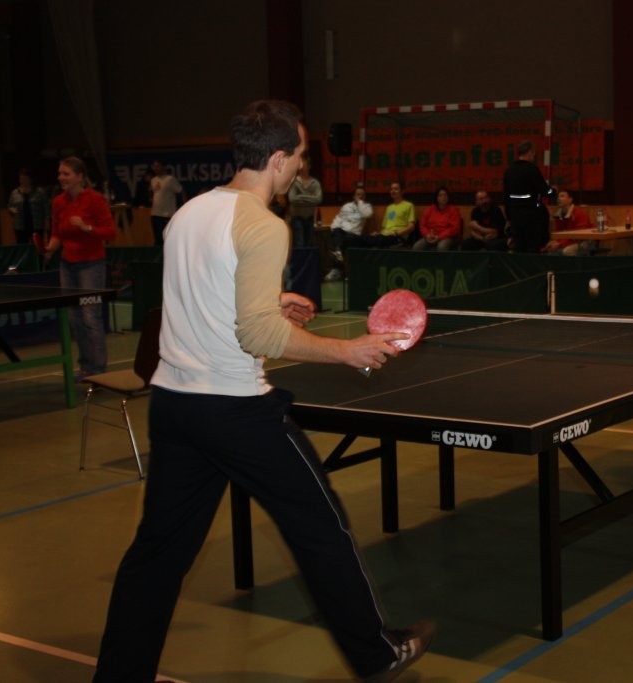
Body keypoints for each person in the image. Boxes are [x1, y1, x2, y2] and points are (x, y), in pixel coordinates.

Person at [91, 100, 433, 683]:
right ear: (277, 159)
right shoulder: (264, 226)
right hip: (237, 413)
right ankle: (377, 655)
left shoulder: (189, 213)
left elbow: (200, 292)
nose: (301, 167)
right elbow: (258, 335)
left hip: (173, 406)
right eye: (298, 156)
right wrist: (345, 350)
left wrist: (270, 300)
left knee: (158, 554)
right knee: (321, 527)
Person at [43, 156, 116, 380]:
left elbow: (110, 233)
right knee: (74, 319)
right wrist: (50, 248)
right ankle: (86, 367)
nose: (61, 178)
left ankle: (99, 369)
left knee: (90, 317)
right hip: (68, 265)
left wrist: (86, 228)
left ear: (79, 177)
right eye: (60, 174)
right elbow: (57, 233)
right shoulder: (58, 202)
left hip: (91, 265)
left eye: (66, 174)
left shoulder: (95, 200)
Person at [502, 139, 555, 252]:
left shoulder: (509, 171)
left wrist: (509, 217)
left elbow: (506, 196)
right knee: (532, 246)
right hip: (531, 215)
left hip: (515, 215)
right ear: (530, 152)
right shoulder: (532, 169)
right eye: (533, 153)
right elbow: (544, 191)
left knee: (519, 247)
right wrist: (554, 191)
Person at [325, 183, 374, 280]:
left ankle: (337, 269)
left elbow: (367, 215)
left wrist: (360, 202)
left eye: (362, 195)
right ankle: (338, 254)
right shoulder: (347, 206)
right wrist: (334, 228)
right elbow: (339, 218)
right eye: (358, 194)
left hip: (355, 235)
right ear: (353, 196)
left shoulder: (367, 206)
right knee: (337, 233)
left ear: (365, 197)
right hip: (342, 232)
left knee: (344, 240)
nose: (360, 196)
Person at [287, 152, 323, 247]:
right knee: (299, 244)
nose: (301, 167)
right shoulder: (294, 181)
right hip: (297, 218)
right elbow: (292, 199)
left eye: (304, 164)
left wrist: (300, 196)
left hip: (310, 218)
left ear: (309, 166)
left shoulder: (315, 183)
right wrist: (310, 197)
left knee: (309, 244)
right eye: (300, 165)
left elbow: (318, 199)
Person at [6, 168, 50, 244]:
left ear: (31, 179)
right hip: (20, 226)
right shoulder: (15, 193)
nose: (23, 181)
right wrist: (11, 210)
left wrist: (47, 223)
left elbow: (46, 209)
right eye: (21, 179)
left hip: (36, 225)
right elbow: (10, 206)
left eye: (26, 179)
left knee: (37, 247)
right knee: (22, 247)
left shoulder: (39, 192)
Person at [543, 188, 591, 255]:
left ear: (570, 200)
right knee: (550, 249)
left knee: (567, 251)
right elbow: (558, 233)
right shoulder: (558, 215)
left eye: (562, 196)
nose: (558, 198)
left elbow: (579, 236)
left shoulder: (579, 214)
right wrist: (554, 242)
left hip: (583, 242)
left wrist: (560, 244)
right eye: (558, 196)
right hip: (568, 241)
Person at [412, 186, 461, 251]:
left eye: (445, 195)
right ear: (437, 198)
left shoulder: (453, 210)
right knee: (417, 247)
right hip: (431, 237)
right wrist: (427, 235)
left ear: (448, 197)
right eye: (440, 195)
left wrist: (439, 237)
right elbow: (422, 224)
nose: (443, 197)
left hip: (448, 238)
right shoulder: (430, 209)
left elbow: (454, 229)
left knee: (441, 247)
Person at [149, 160, 186, 245]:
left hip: (167, 214)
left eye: (157, 166)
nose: (155, 168)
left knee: (167, 238)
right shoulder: (153, 180)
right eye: (154, 166)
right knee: (158, 239)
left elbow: (181, 191)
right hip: (155, 213)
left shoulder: (170, 179)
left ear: (163, 167)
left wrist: (185, 204)